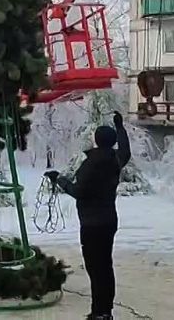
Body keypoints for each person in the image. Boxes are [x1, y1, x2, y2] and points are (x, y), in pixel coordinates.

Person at [45, 111, 131, 320]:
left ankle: (98, 312)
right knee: (106, 266)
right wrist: (120, 127)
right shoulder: (115, 159)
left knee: (95, 268)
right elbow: (126, 151)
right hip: (109, 221)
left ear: (95, 140)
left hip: (92, 224)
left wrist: (59, 179)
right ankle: (105, 311)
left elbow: (79, 191)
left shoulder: (91, 164)